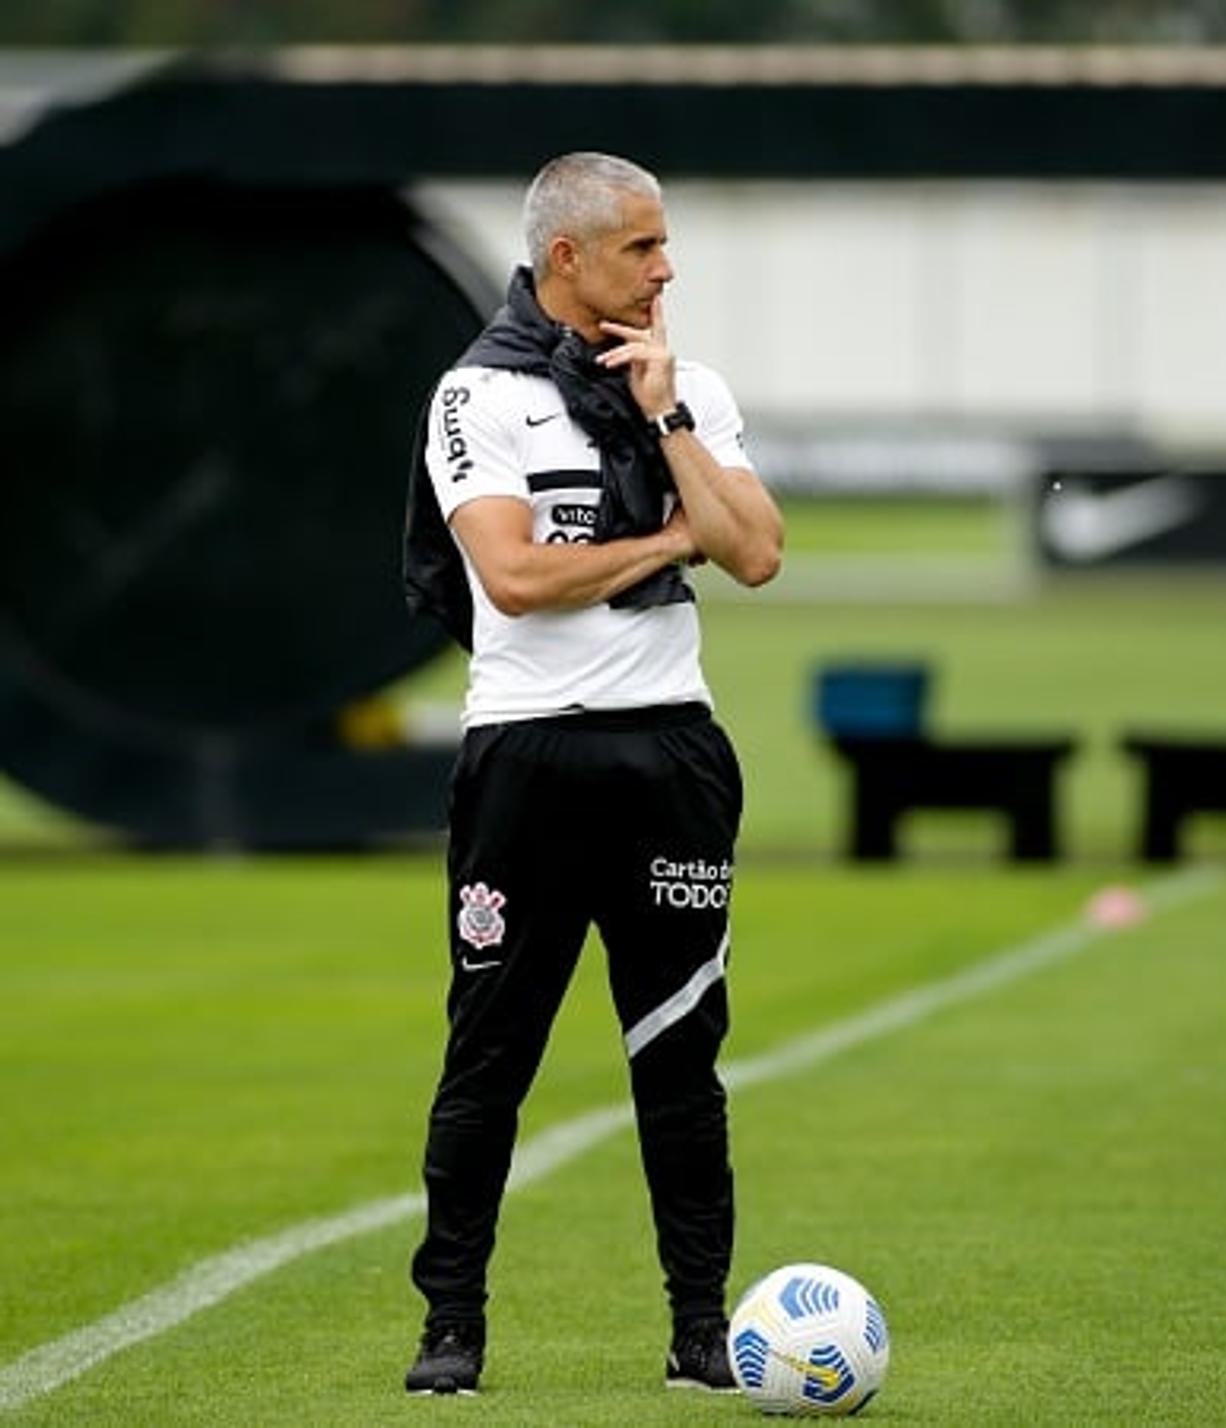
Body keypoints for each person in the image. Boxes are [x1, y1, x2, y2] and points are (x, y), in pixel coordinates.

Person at [398, 151, 782, 1397]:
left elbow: (761, 554)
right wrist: (676, 538)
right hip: (527, 751)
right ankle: (451, 1325)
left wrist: (667, 418)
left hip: (671, 748)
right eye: (642, 248)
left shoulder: (693, 390)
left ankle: (700, 1331)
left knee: (680, 1056)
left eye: (666, 246)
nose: (668, 270)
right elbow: (512, 579)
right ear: (567, 260)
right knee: (490, 1055)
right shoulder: (477, 398)